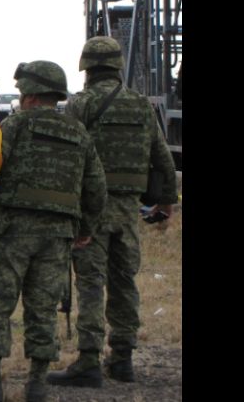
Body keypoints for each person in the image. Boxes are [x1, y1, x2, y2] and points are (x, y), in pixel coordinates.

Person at [0, 60, 107, 402]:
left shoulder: (12, 126)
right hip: (57, 237)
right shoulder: (78, 133)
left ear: (31, 95)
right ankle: (37, 385)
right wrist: (85, 229)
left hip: (10, 233)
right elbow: (96, 189)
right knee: (43, 309)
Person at [46, 36, 178, 388]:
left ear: (87, 68)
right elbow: (162, 157)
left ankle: (88, 361)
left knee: (91, 282)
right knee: (124, 283)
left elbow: (65, 154)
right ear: (118, 66)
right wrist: (166, 202)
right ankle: (122, 359)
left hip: (91, 210)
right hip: (128, 210)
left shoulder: (82, 103)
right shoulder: (140, 105)